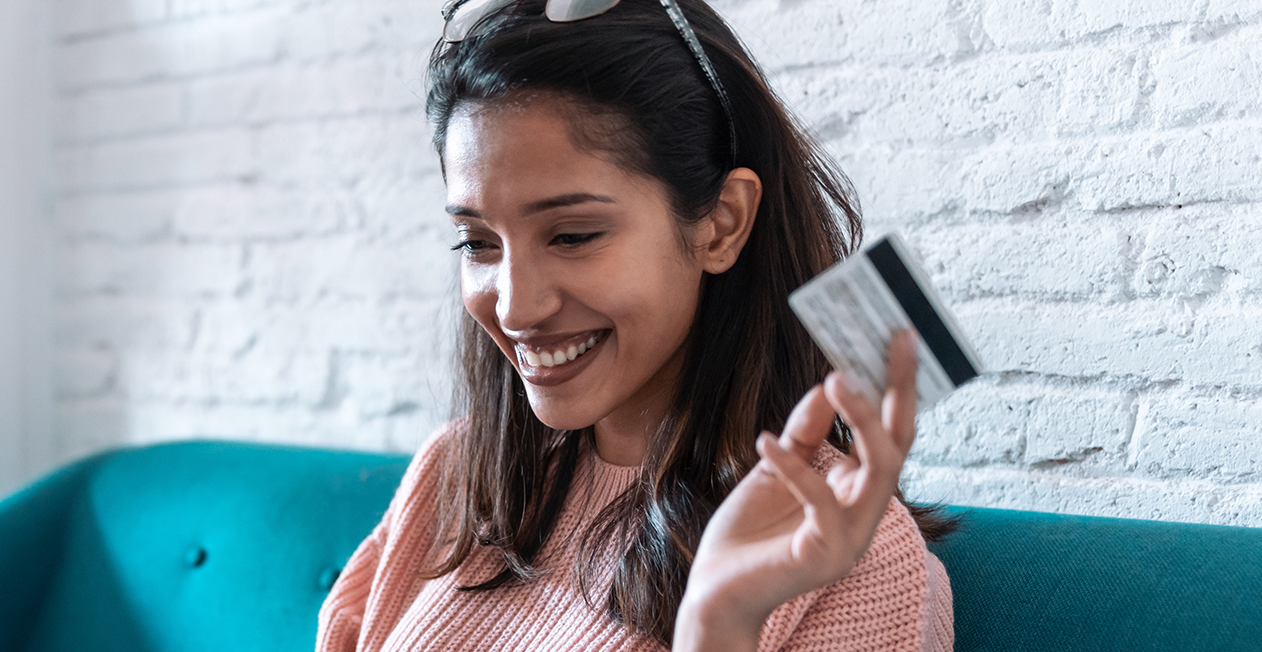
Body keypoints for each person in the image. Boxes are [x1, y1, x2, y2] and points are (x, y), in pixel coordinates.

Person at [317, 0, 954, 650]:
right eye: (477, 242)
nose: (512, 309)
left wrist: (717, 624)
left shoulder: (846, 547)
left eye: (572, 235)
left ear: (723, 224)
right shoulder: (453, 474)